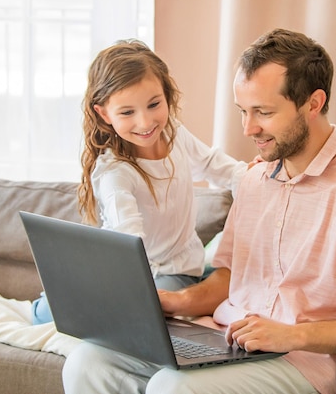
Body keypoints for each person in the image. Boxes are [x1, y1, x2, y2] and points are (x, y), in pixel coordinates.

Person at [61, 28, 336, 394]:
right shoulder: (255, 180)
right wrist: (174, 301)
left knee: (174, 388)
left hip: (298, 359)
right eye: (243, 112)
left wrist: (291, 335)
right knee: (88, 363)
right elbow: (232, 275)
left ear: (313, 104)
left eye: (263, 113)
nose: (249, 128)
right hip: (225, 338)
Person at [31, 39, 247, 325]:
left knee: (160, 312)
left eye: (154, 104)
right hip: (127, 273)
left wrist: (256, 179)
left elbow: (213, 166)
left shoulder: (174, 133)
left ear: (167, 95)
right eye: (127, 112)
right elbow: (128, 242)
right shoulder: (115, 173)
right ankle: (42, 307)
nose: (145, 123)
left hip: (178, 271)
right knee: (52, 312)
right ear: (104, 114)